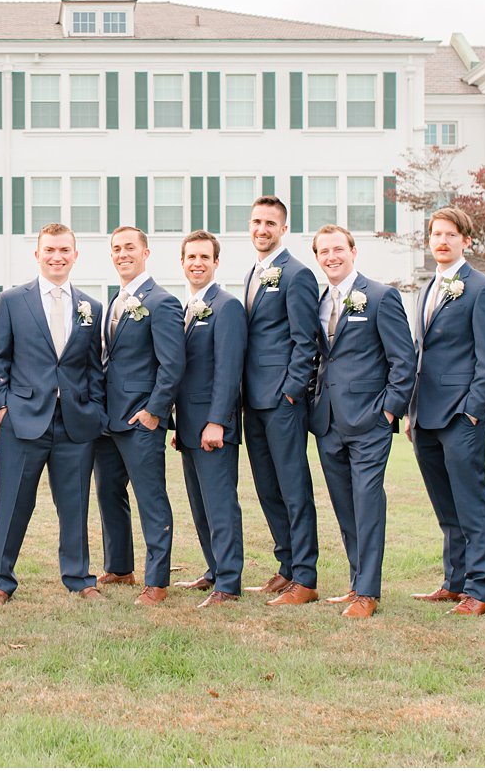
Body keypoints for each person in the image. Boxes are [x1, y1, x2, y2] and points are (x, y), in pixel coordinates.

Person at [0, 223, 107, 607]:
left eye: (64, 250)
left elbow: (93, 367)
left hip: (74, 422)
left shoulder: (91, 307)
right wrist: (3, 409)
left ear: (75, 254)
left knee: (75, 505)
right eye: (49, 249)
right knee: (14, 504)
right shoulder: (12, 301)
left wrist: (95, 410)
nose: (57, 256)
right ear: (37, 254)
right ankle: (0, 582)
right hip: (24, 421)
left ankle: (80, 578)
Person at [307, 225, 416, 618]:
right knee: (344, 506)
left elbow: (404, 360)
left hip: (369, 420)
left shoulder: (381, 297)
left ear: (353, 252)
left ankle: (368, 592)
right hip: (328, 422)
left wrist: (388, 411)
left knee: (368, 502)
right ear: (317, 258)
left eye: (339, 249)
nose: (332, 257)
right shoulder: (319, 302)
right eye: (324, 251)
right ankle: (356, 583)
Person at [407, 207, 485, 615]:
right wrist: (411, 412)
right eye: (435, 234)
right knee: (445, 505)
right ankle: (454, 581)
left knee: (471, 502)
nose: (442, 241)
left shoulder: (483, 289)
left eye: (450, 234)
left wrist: (472, 412)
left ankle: (479, 590)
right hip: (424, 414)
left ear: (466, 240)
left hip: (461, 416)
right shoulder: (424, 289)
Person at [93, 226, 184, 605]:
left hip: (140, 419)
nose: (122, 254)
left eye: (129, 247)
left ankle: (157, 580)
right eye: (116, 248)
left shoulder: (161, 302)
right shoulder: (112, 301)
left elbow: (173, 363)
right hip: (107, 421)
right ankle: (119, 567)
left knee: (151, 498)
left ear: (146, 252)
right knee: (109, 494)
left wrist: (154, 412)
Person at [240, 196, 321, 604]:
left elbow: (305, 342)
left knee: (293, 488)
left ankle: (305, 578)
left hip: (283, 401)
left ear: (283, 228)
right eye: (256, 221)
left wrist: (291, 392)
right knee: (267, 488)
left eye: (270, 223)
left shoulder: (297, 275)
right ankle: (286, 565)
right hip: (251, 401)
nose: (262, 229)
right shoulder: (253, 273)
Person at [171, 230, 248, 609]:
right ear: (182, 263)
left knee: (220, 505)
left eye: (205, 257)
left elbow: (228, 370)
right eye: (191, 257)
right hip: (188, 427)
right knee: (200, 505)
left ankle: (229, 583)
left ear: (216, 262)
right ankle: (214, 569)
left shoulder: (227, 306)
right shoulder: (188, 307)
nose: (197, 263)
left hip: (213, 426)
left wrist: (217, 420)